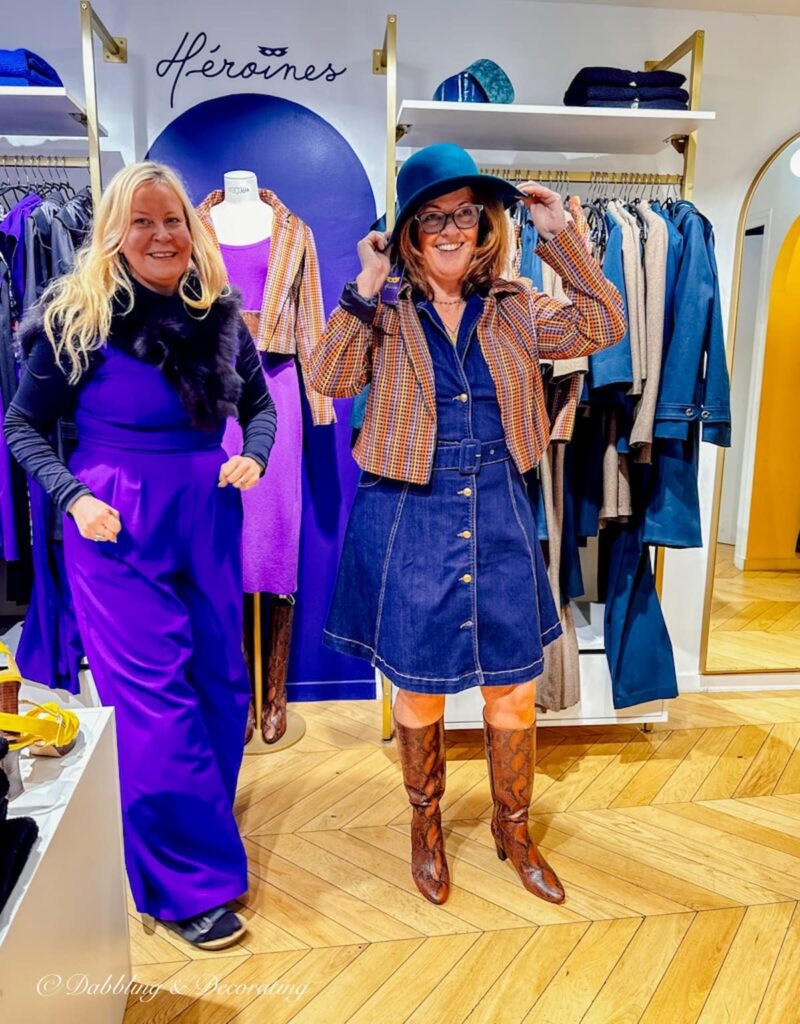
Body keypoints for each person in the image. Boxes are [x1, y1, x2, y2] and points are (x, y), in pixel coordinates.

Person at [309, 143, 625, 906]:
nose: (451, 230)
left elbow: (605, 323)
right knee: (418, 694)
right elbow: (327, 377)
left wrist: (561, 238)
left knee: (513, 690)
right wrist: (366, 280)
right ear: (410, 233)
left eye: (465, 216)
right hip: (410, 508)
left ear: (485, 226)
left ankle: (513, 829)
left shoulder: (518, 306)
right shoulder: (379, 309)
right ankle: (426, 828)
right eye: (434, 218)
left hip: (499, 505)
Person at [4, 162, 277, 949]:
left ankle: (195, 832)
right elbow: (23, 427)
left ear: (193, 231)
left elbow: (258, 409)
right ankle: (182, 887)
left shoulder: (219, 314)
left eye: (174, 221)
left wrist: (253, 455)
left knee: (224, 687)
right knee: (157, 704)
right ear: (116, 231)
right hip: (114, 521)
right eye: (144, 221)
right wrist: (74, 497)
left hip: (209, 511)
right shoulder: (77, 317)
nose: (162, 235)